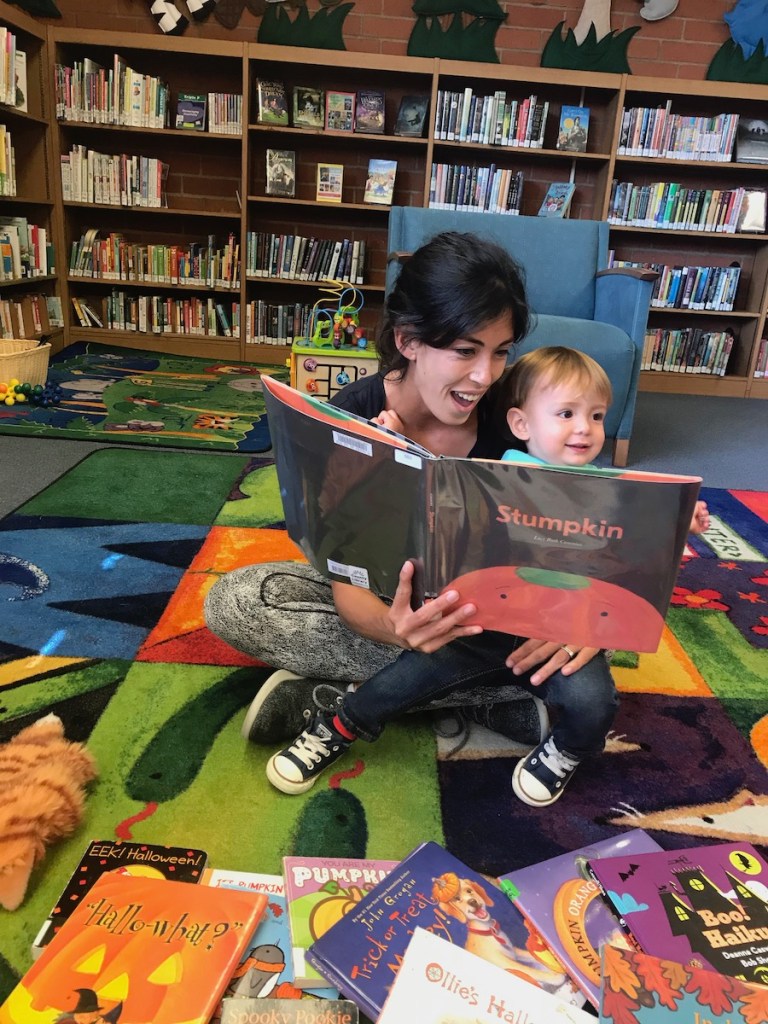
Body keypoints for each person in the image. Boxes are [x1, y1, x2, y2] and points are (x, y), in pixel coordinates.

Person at [264, 346, 710, 807]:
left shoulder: (614, 490)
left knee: (594, 703)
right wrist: (388, 448)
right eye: (566, 413)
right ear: (521, 425)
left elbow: (640, 556)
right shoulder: (499, 473)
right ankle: (338, 726)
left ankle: (566, 749)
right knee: (400, 680)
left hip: (558, 633)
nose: (584, 428)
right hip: (478, 625)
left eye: (597, 416)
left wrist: (677, 523)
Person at [206, 230, 566, 752]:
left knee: (585, 646)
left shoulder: (518, 417)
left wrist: (567, 621)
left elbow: (573, 530)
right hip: (393, 614)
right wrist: (400, 631)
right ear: (408, 341)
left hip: (489, 619)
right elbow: (344, 577)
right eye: (465, 350)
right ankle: (486, 699)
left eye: (501, 353)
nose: (485, 375)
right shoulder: (353, 414)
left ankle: (341, 701)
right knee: (237, 601)